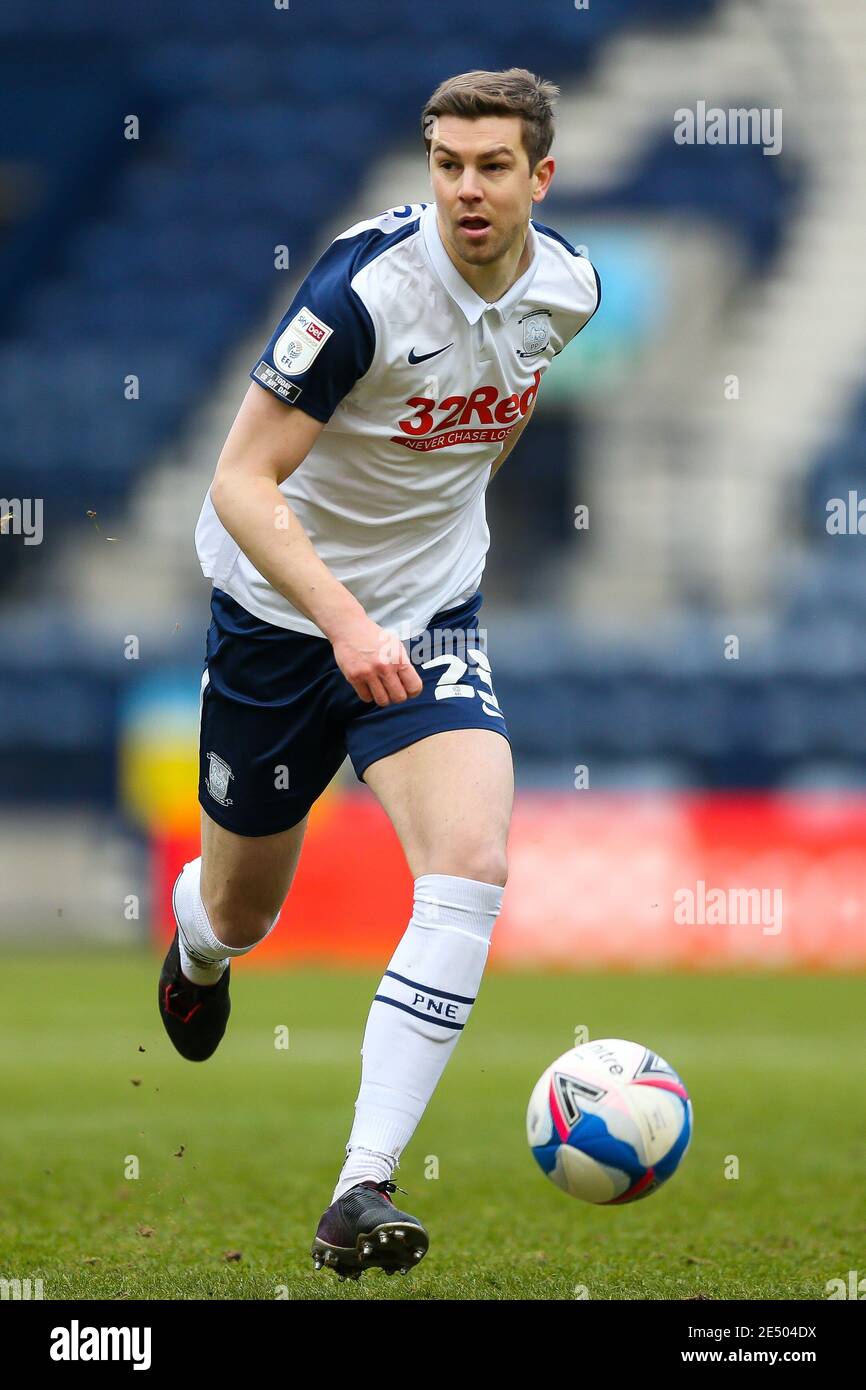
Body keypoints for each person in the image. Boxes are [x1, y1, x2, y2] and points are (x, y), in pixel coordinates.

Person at [158, 66, 600, 1281]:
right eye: (447, 164)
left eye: (492, 166)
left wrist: (420, 573)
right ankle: (197, 948)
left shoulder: (570, 288)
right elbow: (239, 483)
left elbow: (488, 417)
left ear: (538, 176)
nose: (466, 188)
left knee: (468, 865)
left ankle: (360, 1185)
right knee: (248, 908)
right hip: (278, 620)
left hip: (430, 621)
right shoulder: (357, 294)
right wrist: (346, 615)